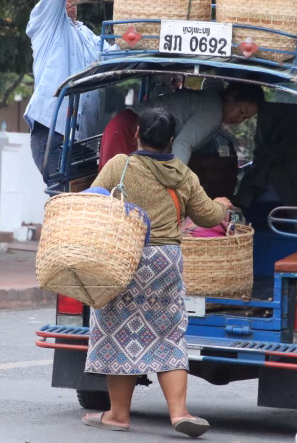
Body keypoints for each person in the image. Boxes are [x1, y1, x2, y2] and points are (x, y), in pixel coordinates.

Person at [83, 108, 232, 438]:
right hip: (166, 260)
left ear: (137, 133)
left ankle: (118, 414)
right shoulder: (183, 175)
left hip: (126, 257)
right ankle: (179, 413)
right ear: (170, 141)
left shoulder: (120, 166)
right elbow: (208, 217)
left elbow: (92, 202)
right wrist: (224, 205)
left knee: (117, 331)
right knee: (169, 333)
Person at [25, 0, 104, 181]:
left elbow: (112, 53)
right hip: (53, 135)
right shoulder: (46, 24)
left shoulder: (85, 35)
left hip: (85, 141)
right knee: (65, 200)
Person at [98, 83, 263, 168]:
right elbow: (183, 144)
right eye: (242, 111)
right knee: (116, 199)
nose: (240, 119)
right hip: (130, 130)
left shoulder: (211, 102)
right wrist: (174, 184)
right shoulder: (213, 111)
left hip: (124, 125)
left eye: (246, 117)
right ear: (232, 96)